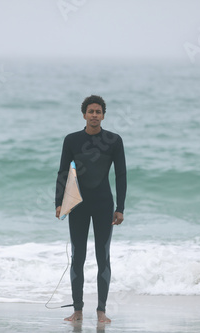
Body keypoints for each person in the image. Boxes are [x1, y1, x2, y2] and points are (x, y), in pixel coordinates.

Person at [55, 95, 127, 323]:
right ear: (84, 114)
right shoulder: (72, 140)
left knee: (102, 256)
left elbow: (122, 175)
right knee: (78, 257)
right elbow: (63, 173)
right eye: (90, 111)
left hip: (104, 204)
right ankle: (77, 311)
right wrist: (59, 202)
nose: (94, 115)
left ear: (103, 115)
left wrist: (120, 207)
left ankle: (101, 311)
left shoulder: (114, 140)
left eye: (98, 111)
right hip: (77, 205)